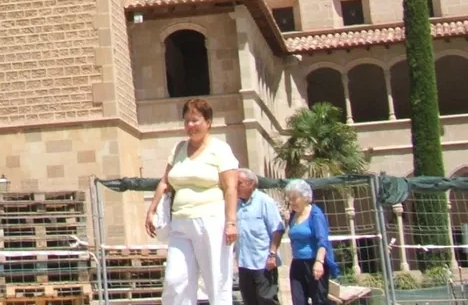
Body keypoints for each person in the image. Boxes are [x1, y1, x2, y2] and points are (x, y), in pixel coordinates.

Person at [145, 97, 240, 305]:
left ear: (208, 122)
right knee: (175, 281)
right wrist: (151, 210)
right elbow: (165, 182)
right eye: (187, 120)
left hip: (211, 221)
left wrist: (231, 222)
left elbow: (230, 188)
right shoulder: (178, 149)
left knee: (216, 280)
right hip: (181, 222)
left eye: (195, 120)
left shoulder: (220, 149)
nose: (190, 125)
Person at [235, 169, 286, 305]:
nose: (236, 187)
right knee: (249, 300)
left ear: (251, 183)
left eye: (239, 183)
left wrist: (272, 254)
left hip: (263, 263)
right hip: (244, 264)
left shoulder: (265, 201)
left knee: (266, 300)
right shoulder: (236, 205)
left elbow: (277, 229)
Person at [285, 180, 338, 305]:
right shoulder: (293, 216)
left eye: (294, 198)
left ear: (305, 197)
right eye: (290, 199)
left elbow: (322, 240)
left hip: (314, 262)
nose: (292, 202)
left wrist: (319, 262)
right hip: (297, 263)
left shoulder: (315, 214)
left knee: (319, 301)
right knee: (298, 301)